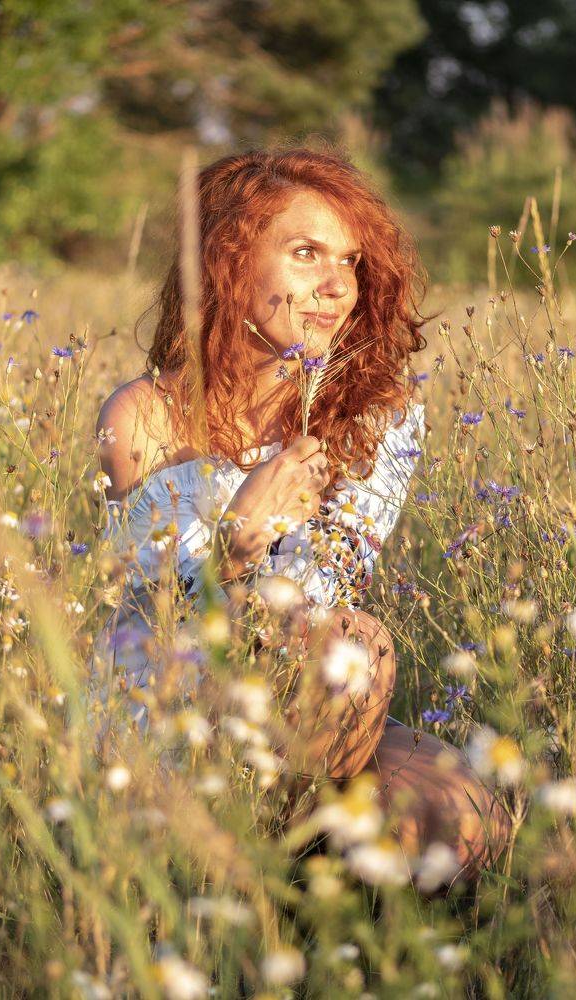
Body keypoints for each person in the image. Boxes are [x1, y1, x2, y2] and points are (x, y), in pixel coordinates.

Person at [92, 145, 508, 889]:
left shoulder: (375, 417)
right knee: (354, 648)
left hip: (317, 697)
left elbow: (331, 587)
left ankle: (300, 890)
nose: (336, 287)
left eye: (350, 262)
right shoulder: (143, 416)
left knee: (461, 817)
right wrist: (236, 544)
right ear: (227, 261)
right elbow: (150, 620)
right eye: (306, 253)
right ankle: (236, 886)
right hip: (172, 709)